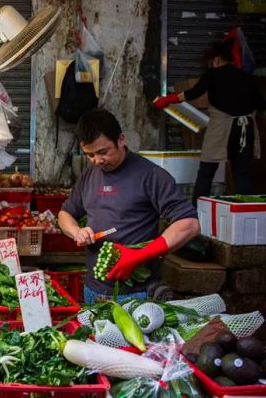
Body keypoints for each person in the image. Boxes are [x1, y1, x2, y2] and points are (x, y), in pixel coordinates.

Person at [57, 109, 200, 304]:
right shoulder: (90, 175)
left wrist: (139, 255)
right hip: (92, 289)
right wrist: (76, 231)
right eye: (89, 155)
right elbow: (65, 214)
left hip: (136, 294)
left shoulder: (151, 175)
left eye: (102, 152)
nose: (97, 161)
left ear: (121, 140)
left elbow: (189, 224)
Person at [153, 39, 266, 202]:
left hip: (222, 126)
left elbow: (194, 93)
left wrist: (169, 99)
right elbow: (262, 104)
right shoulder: (246, 77)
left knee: (207, 170)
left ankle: (197, 210)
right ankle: (244, 209)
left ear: (217, 59)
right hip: (245, 128)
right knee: (241, 172)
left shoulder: (213, 75)